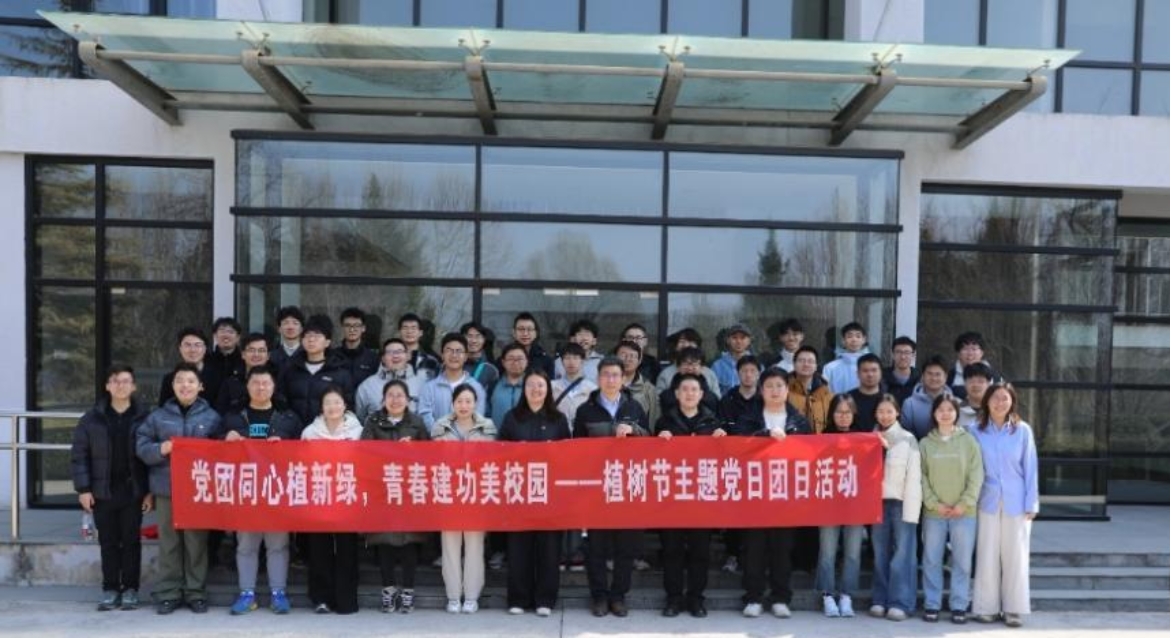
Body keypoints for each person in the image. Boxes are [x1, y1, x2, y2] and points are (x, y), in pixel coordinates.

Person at [136, 362, 222, 614]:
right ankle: (168, 592)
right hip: (166, 489)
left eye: (191, 381)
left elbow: (222, 452)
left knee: (196, 542)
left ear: (200, 386)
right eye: (180, 381)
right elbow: (141, 446)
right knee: (169, 542)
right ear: (172, 385)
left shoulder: (212, 417)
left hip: (198, 490)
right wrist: (160, 449)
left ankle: (196, 592)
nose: (185, 385)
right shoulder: (158, 416)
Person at [71, 364, 151, 612]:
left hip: (132, 490)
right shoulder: (91, 419)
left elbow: (151, 458)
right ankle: (110, 589)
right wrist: (83, 489)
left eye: (126, 381)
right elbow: (79, 456)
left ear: (133, 386)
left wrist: (149, 491)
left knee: (131, 541)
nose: (120, 385)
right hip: (102, 491)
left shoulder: (144, 417)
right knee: (108, 542)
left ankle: (130, 589)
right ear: (107, 386)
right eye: (115, 380)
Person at [221, 364, 301, 615]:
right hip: (245, 492)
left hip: (277, 491)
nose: (260, 387)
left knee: (278, 545)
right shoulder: (233, 418)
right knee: (246, 545)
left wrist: (285, 445)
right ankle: (247, 594)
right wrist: (225, 440)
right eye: (255, 383)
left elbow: (304, 453)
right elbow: (214, 455)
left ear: (274, 387)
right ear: (247, 386)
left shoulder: (288, 418)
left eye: (266, 383)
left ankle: (279, 593)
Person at [573, 357, 649, 618]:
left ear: (623, 379)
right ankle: (599, 596)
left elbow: (649, 441)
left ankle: (618, 596)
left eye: (616, 375)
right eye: (606, 374)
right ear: (598, 378)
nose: (611, 379)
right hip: (596, 488)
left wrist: (634, 430)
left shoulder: (634, 407)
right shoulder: (585, 410)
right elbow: (576, 449)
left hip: (627, 486)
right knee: (596, 547)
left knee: (625, 547)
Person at [734, 368, 811, 620]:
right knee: (754, 550)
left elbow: (810, 452)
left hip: (785, 496)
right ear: (761, 390)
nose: (775, 391)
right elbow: (739, 445)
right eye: (769, 386)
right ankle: (753, 597)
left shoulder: (799, 421)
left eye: (779, 386)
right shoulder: (749, 418)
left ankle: (781, 597)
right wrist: (765, 436)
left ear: (787, 390)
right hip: (755, 495)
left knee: (782, 550)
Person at [498, 371, 572, 617]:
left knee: (549, 549)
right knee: (519, 548)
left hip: (549, 493)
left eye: (541, 385)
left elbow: (569, 454)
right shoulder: (512, 418)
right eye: (531, 385)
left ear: (548, 389)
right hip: (519, 492)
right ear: (524, 389)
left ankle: (545, 599)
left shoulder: (558, 419)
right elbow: (499, 451)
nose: (536, 389)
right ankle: (518, 598)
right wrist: (514, 452)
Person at [655, 374, 727, 618]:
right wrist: (659, 440)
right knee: (672, 551)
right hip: (672, 497)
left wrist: (723, 440)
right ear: (676, 394)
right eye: (684, 389)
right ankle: (673, 599)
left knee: (700, 552)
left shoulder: (712, 422)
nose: (689, 393)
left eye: (694, 389)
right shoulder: (665, 421)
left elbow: (724, 459)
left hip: (701, 498)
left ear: (701, 394)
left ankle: (696, 599)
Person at [970, 383, 1039, 628]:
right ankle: (985, 608)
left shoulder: (1022, 431)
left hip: (1016, 501)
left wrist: (1032, 503)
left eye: (1005, 398)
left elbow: (1031, 467)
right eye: (995, 398)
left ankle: (1014, 609)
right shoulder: (974, 431)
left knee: (1016, 556)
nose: (1000, 403)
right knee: (987, 554)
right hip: (986, 500)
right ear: (987, 402)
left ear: (1012, 402)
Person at [361, 379, 431, 614]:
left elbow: (429, 455)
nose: (395, 400)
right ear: (383, 400)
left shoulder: (417, 423)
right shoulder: (373, 421)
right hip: (382, 490)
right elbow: (364, 453)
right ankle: (388, 591)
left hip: (410, 490)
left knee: (410, 542)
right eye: (390, 395)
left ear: (408, 400)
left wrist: (412, 451)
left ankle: (408, 591)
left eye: (400, 395)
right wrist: (390, 451)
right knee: (385, 544)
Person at [432, 384, 497, 614]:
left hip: (476, 493)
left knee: (474, 546)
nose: (464, 406)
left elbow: (493, 460)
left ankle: (471, 596)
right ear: (453, 403)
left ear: (475, 403)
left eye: (468, 401)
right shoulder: (440, 427)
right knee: (450, 547)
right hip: (448, 493)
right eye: (459, 401)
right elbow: (432, 460)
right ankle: (453, 596)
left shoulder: (487, 427)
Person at [920, 394, 983, 625]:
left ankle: (959, 605)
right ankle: (932, 604)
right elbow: (921, 477)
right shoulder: (925, 444)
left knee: (962, 562)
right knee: (931, 560)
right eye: (941, 410)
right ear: (934, 414)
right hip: (934, 513)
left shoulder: (969, 442)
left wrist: (963, 504)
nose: (945, 413)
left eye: (950, 409)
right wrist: (934, 503)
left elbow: (977, 475)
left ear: (957, 413)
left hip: (964, 513)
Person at [300, 385, 363, 614]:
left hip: (348, 496)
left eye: (337, 402)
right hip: (319, 496)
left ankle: (346, 599)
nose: (332, 407)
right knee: (319, 549)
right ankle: (321, 598)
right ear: (321, 407)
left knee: (347, 549)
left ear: (345, 405)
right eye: (327, 403)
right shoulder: (310, 432)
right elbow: (300, 463)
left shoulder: (358, 431)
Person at [869, 394, 921, 622]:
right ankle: (880, 599)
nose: (885, 416)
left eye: (889, 411)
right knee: (880, 553)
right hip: (876, 504)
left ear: (897, 413)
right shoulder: (869, 438)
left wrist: (912, 511)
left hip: (901, 502)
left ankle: (900, 602)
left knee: (902, 554)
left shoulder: (908, 439)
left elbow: (914, 477)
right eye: (881, 411)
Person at [815, 393, 866, 619]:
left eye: (847, 412)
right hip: (828, 504)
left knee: (853, 553)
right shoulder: (822, 438)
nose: (843, 416)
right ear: (831, 414)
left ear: (854, 414)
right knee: (827, 552)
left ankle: (846, 595)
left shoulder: (864, 438)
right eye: (838, 412)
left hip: (855, 504)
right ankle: (827, 595)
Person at [278, 315, 355, 430]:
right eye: (307, 335)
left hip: (327, 433)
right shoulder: (290, 370)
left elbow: (348, 408)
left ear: (327, 342)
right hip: (294, 432)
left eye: (317, 336)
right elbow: (282, 403)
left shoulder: (341, 373)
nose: (311, 339)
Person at [416, 333, 487, 428]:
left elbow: (477, 419)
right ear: (442, 355)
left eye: (459, 351)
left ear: (466, 357)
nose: (454, 355)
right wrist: (441, 434)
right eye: (449, 350)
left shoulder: (476, 388)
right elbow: (425, 416)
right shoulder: (429, 388)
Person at [355, 338, 430, 422]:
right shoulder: (367, 386)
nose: (395, 356)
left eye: (400, 351)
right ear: (383, 358)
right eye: (390, 352)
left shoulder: (422, 384)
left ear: (408, 356)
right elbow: (360, 418)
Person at [216, 332, 276, 415]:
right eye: (251, 350)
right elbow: (221, 412)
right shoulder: (231, 382)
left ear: (268, 356)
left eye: (261, 350)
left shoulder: (277, 378)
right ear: (243, 354)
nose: (256, 354)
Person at [157, 328, 213, 407]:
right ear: (180, 348)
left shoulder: (216, 378)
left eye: (197, 345)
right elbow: (163, 409)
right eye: (187, 345)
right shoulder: (169, 379)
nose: (192, 350)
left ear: (205, 349)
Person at [901, 356, 952, 440]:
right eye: (929, 374)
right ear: (923, 376)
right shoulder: (909, 404)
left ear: (945, 377)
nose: (934, 378)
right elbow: (906, 435)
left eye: (938, 374)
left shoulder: (955, 402)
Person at [660, 347, 721, 417]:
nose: (690, 368)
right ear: (678, 367)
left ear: (702, 367)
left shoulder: (711, 397)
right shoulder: (666, 396)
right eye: (686, 363)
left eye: (694, 364)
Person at [655, 328, 719, 395]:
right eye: (682, 341)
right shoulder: (665, 374)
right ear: (675, 346)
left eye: (691, 341)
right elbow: (658, 398)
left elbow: (716, 398)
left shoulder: (709, 374)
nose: (686, 345)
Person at [787, 346, 833, 433]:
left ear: (816, 366)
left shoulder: (826, 394)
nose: (806, 364)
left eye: (810, 361)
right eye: (801, 361)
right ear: (794, 364)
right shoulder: (784, 391)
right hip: (793, 440)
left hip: (820, 440)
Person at [616, 340, 660, 430]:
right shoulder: (605, 385)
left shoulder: (649, 389)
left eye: (632, 356)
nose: (627, 359)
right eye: (623, 355)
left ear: (639, 361)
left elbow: (653, 420)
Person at [551, 343, 598, 424]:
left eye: (575, 358)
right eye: (567, 358)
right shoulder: (552, 386)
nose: (571, 362)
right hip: (559, 429)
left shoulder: (592, 388)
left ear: (582, 361)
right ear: (562, 361)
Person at [947, 332, 1002, 400]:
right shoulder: (950, 377)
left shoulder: (995, 376)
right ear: (958, 353)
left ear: (982, 353)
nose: (970, 353)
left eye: (974, 349)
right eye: (965, 349)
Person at [821, 322, 872, 394]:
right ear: (843, 340)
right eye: (849, 336)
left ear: (864, 340)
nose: (854, 340)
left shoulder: (872, 366)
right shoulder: (830, 367)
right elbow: (825, 394)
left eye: (858, 336)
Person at [205, 317, 245, 407]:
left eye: (231, 332)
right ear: (215, 336)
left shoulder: (244, 361)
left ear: (238, 337)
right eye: (222, 331)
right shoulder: (206, 360)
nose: (226, 335)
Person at [337, 307, 380, 386]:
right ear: (342, 328)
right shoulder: (333, 356)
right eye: (347, 325)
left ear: (363, 328)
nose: (352, 330)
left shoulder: (373, 358)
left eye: (356, 325)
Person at [711, 323, 755, 395]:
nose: (738, 341)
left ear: (749, 341)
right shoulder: (717, 367)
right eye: (734, 338)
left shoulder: (757, 365)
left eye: (742, 338)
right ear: (728, 340)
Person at [717, 354, 762, 426]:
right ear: (738, 373)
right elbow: (722, 425)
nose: (748, 375)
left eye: (752, 371)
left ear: (759, 374)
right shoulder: (728, 400)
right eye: (744, 371)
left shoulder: (766, 399)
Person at [490, 343, 527, 425]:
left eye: (520, 359)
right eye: (511, 359)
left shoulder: (533, 386)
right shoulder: (493, 386)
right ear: (503, 362)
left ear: (527, 361)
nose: (516, 363)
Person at [848, 353, 887, 432]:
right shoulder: (848, 399)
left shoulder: (888, 399)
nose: (870, 374)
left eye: (874, 370)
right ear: (858, 374)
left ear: (881, 373)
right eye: (865, 371)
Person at [508, 312, 555, 378]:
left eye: (529, 329)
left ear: (536, 333)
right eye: (521, 329)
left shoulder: (546, 360)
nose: (525, 333)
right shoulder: (506, 358)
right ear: (514, 333)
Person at [398, 313, 440, 377]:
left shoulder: (432, 362)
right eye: (405, 328)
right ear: (399, 331)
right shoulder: (389, 357)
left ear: (421, 333)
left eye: (413, 328)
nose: (409, 331)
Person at [461, 321, 499, 391]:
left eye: (478, 336)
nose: (473, 341)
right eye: (469, 336)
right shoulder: (453, 363)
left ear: (484, 340)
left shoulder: (491, 369)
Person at [883, 336, 920, 406]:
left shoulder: (920, 379)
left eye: (907, 352)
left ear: (913, 355)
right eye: (898, 352)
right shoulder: (882, 377)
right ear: (892, 355)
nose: (903, 357)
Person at [269, 306, 305, 375]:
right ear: (279, 329)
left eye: (295, 323)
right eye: (286, 323)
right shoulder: (271, 357)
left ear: (301, 329)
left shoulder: (308, 355)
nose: (290, 327)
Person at [958, 362, 994, 429]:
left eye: (980, 381)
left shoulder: (997, 410)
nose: (975, 385)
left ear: (989, 384)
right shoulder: (956, 411)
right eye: (971, 381)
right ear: (964, 384)